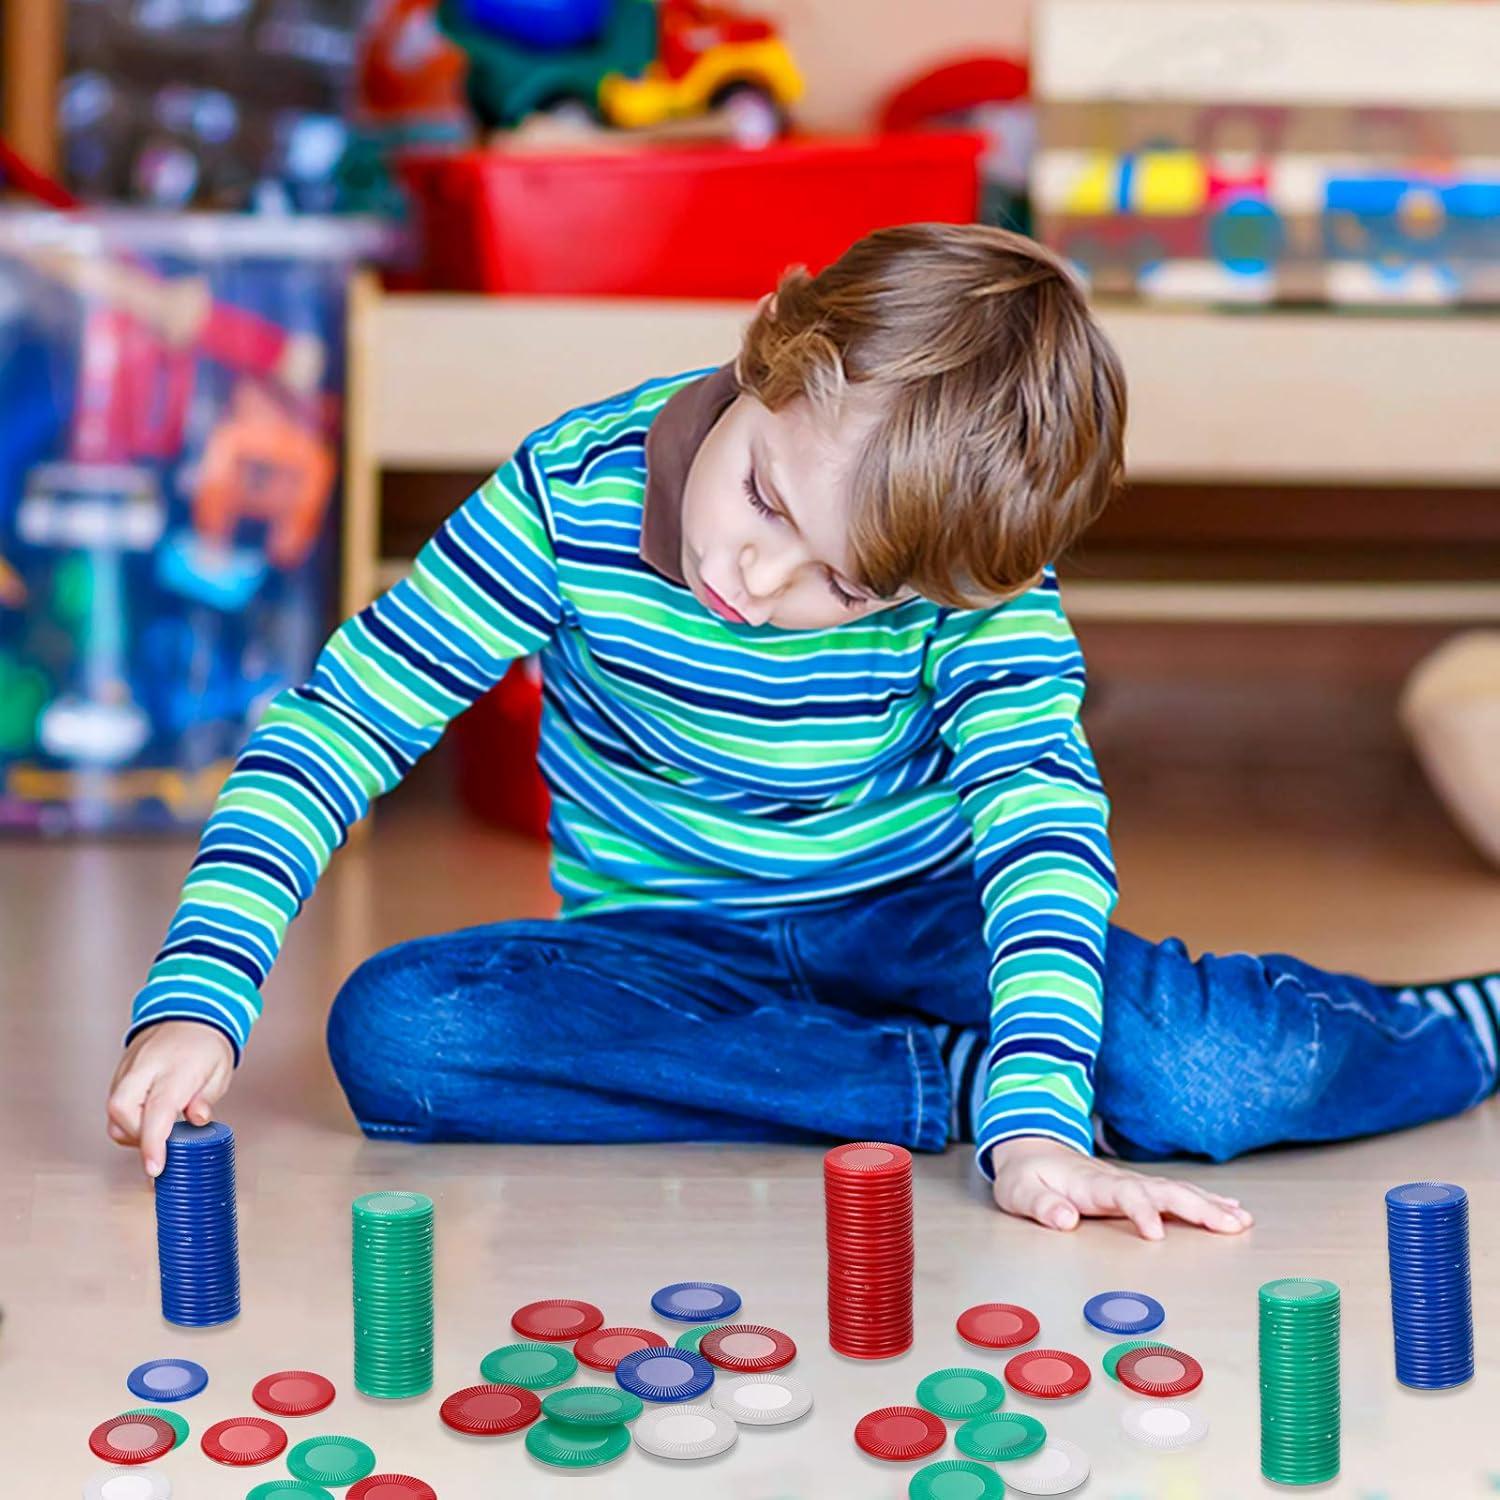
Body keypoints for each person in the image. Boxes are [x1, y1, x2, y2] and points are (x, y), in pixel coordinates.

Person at [107, 225, 1500, 1240]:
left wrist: (1034, 1120)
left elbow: (1042, 831)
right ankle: (932, 1078)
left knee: (1202, 1069)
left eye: (848, 584)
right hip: (661, 944)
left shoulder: (975, 582)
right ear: (774, 352)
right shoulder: (565, 493)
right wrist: (196, 994)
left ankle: (1457, 1025)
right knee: (405, 1039)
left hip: (921, 920)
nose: (764, 588)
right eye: (768, 500)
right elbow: (340, 723)